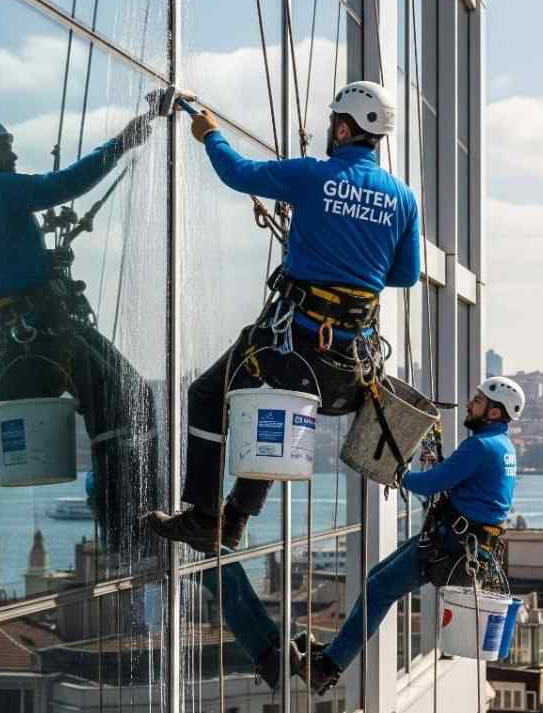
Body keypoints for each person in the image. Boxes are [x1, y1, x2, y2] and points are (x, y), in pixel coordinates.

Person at [147, 81, 420, 553]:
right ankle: (233, 521)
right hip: (348, 366)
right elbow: (405, 274)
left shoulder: (313, 175)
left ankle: (205, 515)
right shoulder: (402, 198)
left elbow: (236, 172)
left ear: (340, 127)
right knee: (272, 404)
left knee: (208, 392)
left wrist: (209, 131)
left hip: (291, 343)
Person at [0, 106, 163, 563]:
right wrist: (127, 140)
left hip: (15, 339)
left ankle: (121, 525)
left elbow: (0, 266)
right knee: (132, 403)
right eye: (5, 148)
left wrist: (41, 264)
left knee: (118, 407)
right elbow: (67, 183)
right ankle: (130, 533)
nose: (13, 155)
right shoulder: (2, 190)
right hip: (45, 332)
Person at [302, 376, 525, 695]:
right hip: (458, 541)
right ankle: (332, 655)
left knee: (379, 589)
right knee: (376, 579)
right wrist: (438, 470)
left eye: (478, 401)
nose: (470, 404)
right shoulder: (502, 446)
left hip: (450, 544)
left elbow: (430, 484)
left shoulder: (480, 446)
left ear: (493, 412)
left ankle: (327, 668)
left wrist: (399, 473)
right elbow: (461, 482)